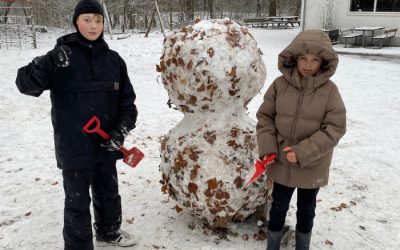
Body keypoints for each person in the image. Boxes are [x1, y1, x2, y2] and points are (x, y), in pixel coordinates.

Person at [15, 0, 138, 249]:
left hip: (107, 142)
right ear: (76, 22)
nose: (93, 26)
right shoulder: (61, 58)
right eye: (87, 20)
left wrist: (120, 132)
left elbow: (128, 104)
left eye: (98, 20)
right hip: (74, 145)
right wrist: (44, 63)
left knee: (108, 193)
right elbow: (25, 85)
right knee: (77, 203)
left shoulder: (114, 61)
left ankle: (109, 232)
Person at [256, 30, 346, 250]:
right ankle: (273, 245)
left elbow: (335, 127)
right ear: (294, 58)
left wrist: (303, 151)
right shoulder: (279, 85)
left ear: (323, 62)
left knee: (306, 210)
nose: (308, 65)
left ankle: (302, 246)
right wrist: (268, 147)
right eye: (303, 58)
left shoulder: (330, 92)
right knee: (278, 207)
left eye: (315, 60)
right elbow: (265, 117)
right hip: (281, 163)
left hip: (312, 165)